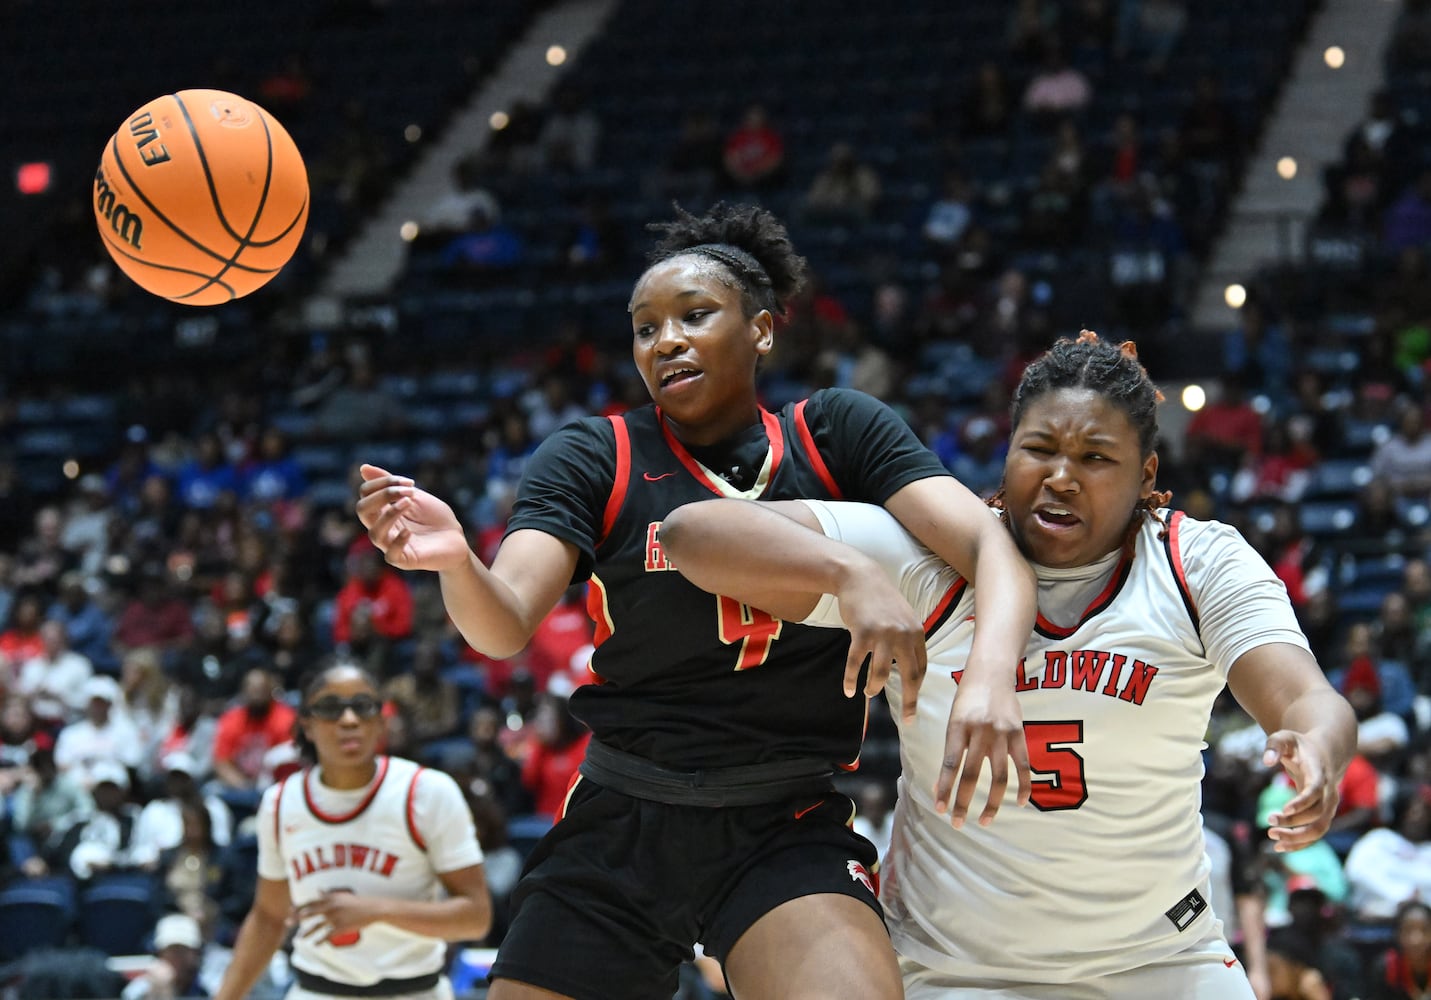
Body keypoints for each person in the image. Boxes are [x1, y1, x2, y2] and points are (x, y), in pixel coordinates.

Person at [356, 202, 1037, 1000]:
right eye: (644, 329)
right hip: (624, 815)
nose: (664, 341)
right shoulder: (593, 453)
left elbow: (992, 546)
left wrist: (991, 681)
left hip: (779, 820)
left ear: (761, 330)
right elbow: (503, 625)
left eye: (694, 315)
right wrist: (454, 561)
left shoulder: (838, 432)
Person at [659, 329, 1358, 1000]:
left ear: (1146, 472)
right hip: (954, 970)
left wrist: (1317, 752)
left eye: (1094, 458)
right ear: (1006, 453)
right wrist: (846, 572)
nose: (1059, 478)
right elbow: (693, 533)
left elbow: (1305, 699)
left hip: (1160, 960)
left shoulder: (1195, 563)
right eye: (1039, 449)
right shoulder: (928, 558)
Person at [213, 664, 491, 1000]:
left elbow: (475, 917)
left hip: (414, 991)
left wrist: (376, 910)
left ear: (381, 721)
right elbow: (269, 917)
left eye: (363, 706)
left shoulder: (428, 792)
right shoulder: (280, 802)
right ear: (307, 725)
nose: (348, 720)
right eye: (331, 709)